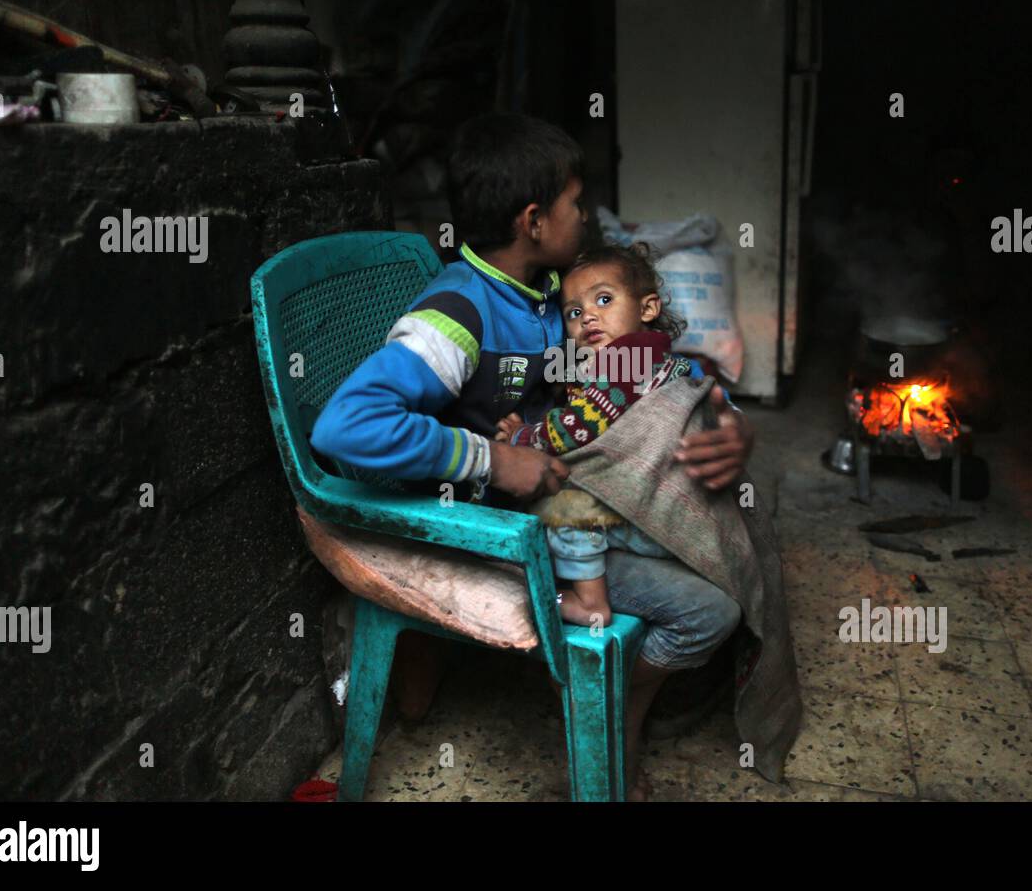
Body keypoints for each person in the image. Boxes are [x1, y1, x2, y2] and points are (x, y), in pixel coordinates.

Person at [309, 113, 754, 799]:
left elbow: (637, 369)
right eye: (577, 204)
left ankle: (631, 687)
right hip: (510, 520)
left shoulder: (552, 296)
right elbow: (346, 426)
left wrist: (727, 424)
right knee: (712, 609)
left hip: (572, 483)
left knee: (730, 517)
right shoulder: (458, 316)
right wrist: (491, 458)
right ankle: (616, 705)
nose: (588, 216)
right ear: (534, 221)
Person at [493, 241, 705, 630]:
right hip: (669, 522)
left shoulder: (629, 359)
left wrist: (523, 439)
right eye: (575, 312)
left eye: (604, 300)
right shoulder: (646, 356)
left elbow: (582, 426)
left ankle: (589, 600)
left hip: (652, 517)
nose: (588, 317)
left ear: (648, 308)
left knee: (564, 506)